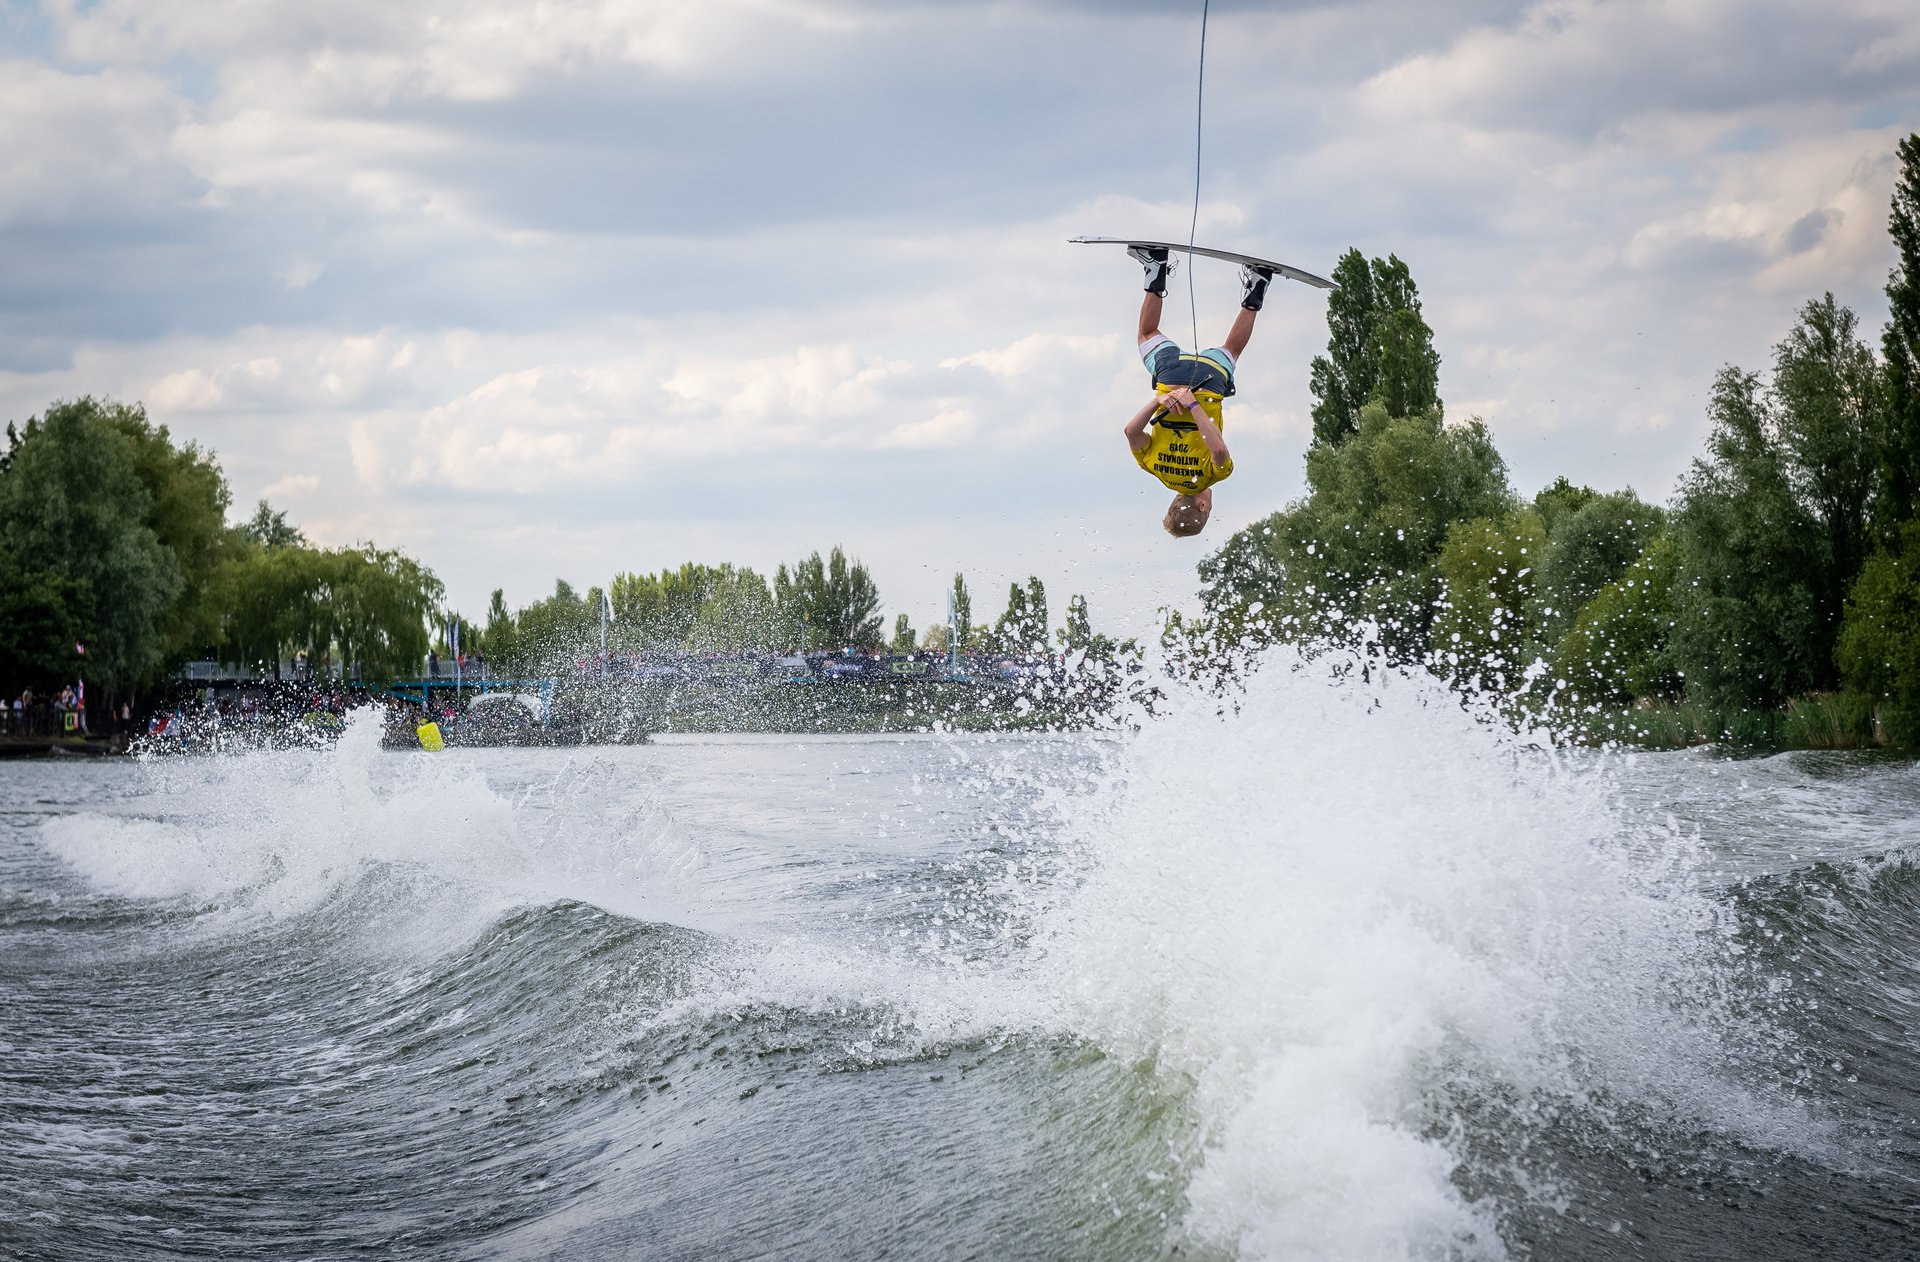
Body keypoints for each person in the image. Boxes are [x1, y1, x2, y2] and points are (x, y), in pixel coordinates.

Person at [1119, 246, 1275, 537]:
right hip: (1171, 375)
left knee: (1232, 349)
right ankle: (1156, 266)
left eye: (1210, 509)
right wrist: (1159, 400)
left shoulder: (1215, 474)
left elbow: (1217, 449)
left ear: (1202, 506)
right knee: (1147, 334)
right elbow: (1131, 432)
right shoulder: (1155, 468)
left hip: (1211, 379)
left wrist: (1194, 407)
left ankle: (1258, 282)